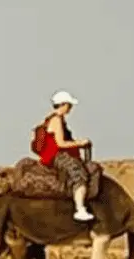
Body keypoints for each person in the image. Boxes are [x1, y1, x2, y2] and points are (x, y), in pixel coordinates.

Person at [34, 90, 94, 222]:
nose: (70, 108)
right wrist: (80, 143)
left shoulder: (54, 119)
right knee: (79, 175)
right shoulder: (56, 120)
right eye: (68, 105)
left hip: (56, 155)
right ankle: (80, 209)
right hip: (57, 156)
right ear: (62, 104)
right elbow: (60, 143)